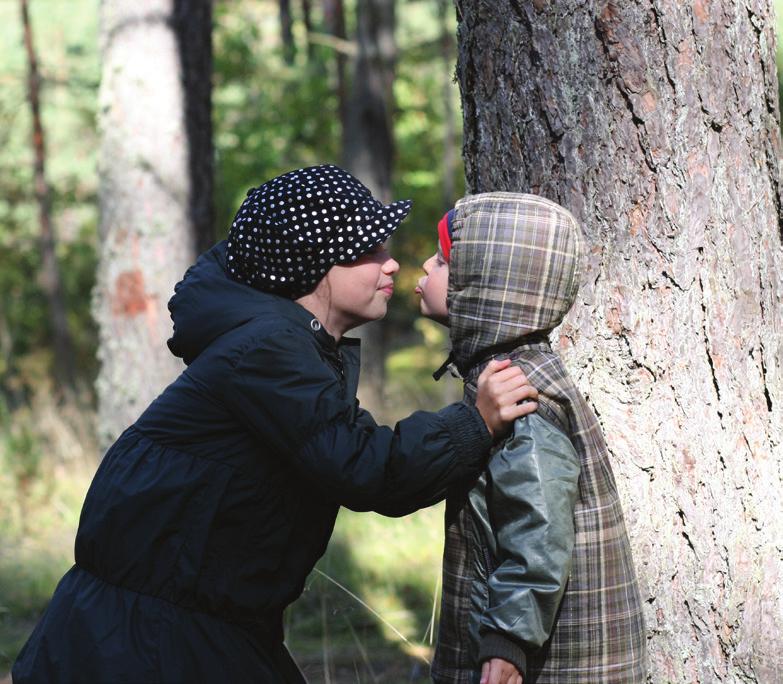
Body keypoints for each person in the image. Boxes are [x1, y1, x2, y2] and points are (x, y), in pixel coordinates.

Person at [11, 166, 539, 684]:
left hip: (187, 627)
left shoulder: (284, 345)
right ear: (316, 266)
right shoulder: (267, 350)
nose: (392, 264)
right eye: (368, 251)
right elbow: (363, 468)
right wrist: (476, 424)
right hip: (143, 640)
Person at [416, 192, 647, 684]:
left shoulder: (522, 394)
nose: (424, 265)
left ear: (481, 287)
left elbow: (538, 529)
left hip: (543, 662)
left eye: (440, 261)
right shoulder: (509, 374)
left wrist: (507, 643)